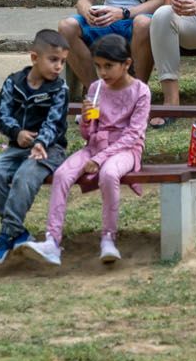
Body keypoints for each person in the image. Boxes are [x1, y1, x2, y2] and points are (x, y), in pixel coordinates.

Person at [26, 33, 150, 266]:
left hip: (125, 150)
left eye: (108, 66)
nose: (102, 72)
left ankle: (108, 238)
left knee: (109, 174)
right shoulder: (96, 88)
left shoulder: (140, 91)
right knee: (62, 174)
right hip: (94, 147)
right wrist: (85, 119)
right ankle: (52, 241)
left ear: (126, 64)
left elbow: (133, 134)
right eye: (98, 66)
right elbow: (88, 134)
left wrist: (101, 159)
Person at [0, 29, 71, 264]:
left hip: (49, 150)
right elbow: (2, 115)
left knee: (24, 176)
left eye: (62, 62)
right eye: (53, 60)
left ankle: (5, 236)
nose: (58, 67)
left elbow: (55, 123)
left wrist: (40, 142)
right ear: (34, 58)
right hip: (16, 148)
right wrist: (16, 133)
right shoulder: (13, 83)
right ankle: (18, 233)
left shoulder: (59, 89)